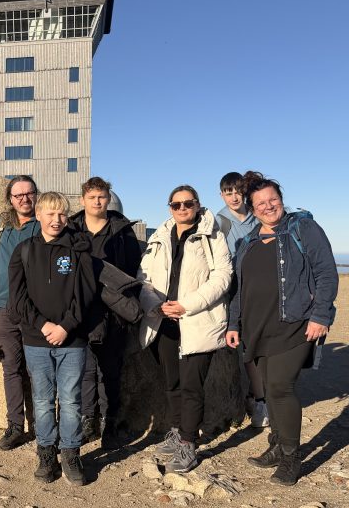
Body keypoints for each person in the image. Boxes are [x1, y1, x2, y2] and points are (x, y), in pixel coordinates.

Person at [226, 172, 338, 486]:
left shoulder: (303, 228)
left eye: (272, 199)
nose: (268, 206)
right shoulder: (248, 241)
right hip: (256, 326)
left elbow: (326, 273)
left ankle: (291, 457)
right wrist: (234, 323)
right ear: (252, 208)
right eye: (260, 203)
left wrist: (321, 315)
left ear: (281, 199)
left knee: (279, 387)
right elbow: (238, 288)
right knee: (268, 388)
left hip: (295, 323)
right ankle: (276, 444)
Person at [138, 186, 232, 474]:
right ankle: (178, 432)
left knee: (192, 385)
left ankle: (189, 443)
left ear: (197, 205)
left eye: (188, 203)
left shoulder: (212, 236)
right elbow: (143, 276)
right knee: (172, 382)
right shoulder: (160, 236)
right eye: (176, 204)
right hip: (164, 319)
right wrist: (156, 305)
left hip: (197, 320)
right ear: (170, 207)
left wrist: (186, 305)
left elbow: (223, 277)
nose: (182, 209)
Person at [8, 192, 96, 485]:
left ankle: (70, 453)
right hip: (36, 340)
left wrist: (65, 327)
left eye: (62, 214)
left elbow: (86, 294)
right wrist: (43, 325)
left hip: (72, 340)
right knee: (43, 400)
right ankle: (46, 454)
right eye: (50, 214)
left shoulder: (79, 250)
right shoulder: (23, 251)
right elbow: (18, 298)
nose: (57, 220)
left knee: (70, 400)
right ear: (39, 215)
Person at [69, 176, 142, 449]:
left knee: (110, 371)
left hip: (114, 312)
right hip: (82, 310)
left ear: (108, 199)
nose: (97, 202)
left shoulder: (122, 230)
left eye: (101, 197)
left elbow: (134, 268)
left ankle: (110, 421)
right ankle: (89, 419)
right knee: (86, 370)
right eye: (92, 197)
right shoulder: (72, 229)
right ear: (82, 200)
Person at [0, 176, 42, 450]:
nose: (24, 199)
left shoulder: (43, 223)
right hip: (4, 307)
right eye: (18, 195)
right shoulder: (2, 224)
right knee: (11, 369)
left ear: (36, 194)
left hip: (35, 309)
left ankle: (43, 426)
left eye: (29, 193)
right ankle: (15, 426)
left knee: (38, 369)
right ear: (10, 199)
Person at [215, 171, 268, 428]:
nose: (234, 197)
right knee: (243, 347)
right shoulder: (219, 222)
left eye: (238, 192)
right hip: (233, 291)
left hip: (260, 289)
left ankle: (255, 397)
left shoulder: (257, 216)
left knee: (260, 346)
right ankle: (257, 400)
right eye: (229, 193)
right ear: (221, 195)